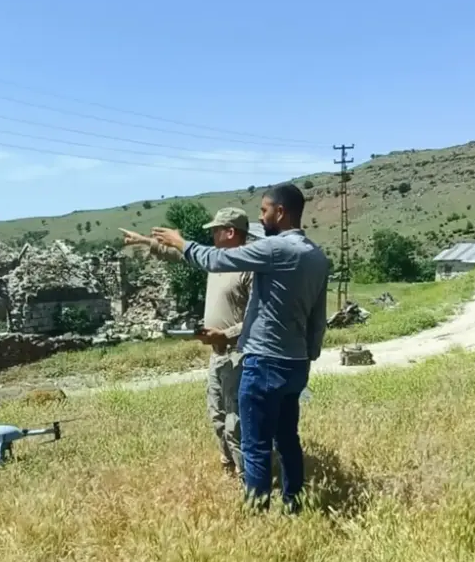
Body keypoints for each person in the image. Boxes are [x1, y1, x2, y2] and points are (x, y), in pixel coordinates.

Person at [152, 184, 330, 513]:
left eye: (264, 211)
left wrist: (182, 243)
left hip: (264, 362)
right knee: (288, 439)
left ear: (280, 212)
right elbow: (318, 318)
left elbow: (220, 259)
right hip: (296, 364)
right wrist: (309, 355)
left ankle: (257, 516)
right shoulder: (317, 257)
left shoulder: (276, 249)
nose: (261, 218)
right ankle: (294, 506)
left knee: (255, 444)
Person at [120, 207, 253, 480]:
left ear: (230, 232)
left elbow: (257, 318)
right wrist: (144, 241)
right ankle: (227, 466)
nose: (212, 235)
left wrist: (226, 335)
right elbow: (181, 254)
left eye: (216, 230)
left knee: (235, 420)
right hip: (218, 354)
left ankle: (247, 476)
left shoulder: (250, 268)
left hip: (239, 355)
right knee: (217, 414)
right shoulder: (217, 260)